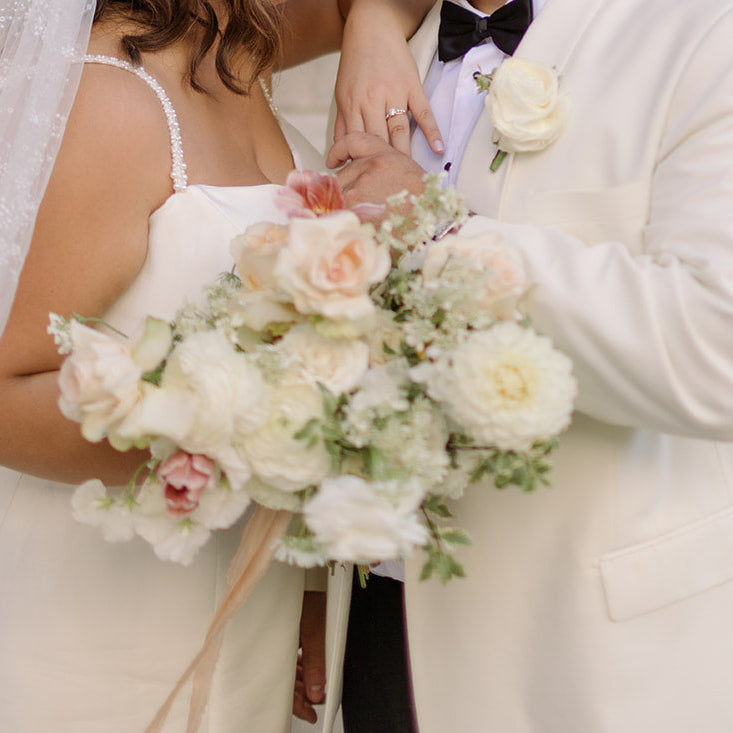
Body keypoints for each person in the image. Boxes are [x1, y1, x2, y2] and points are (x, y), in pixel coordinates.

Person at [0, 1, 438, 731]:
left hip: (245, 625)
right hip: (99, 628)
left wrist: (374, 27)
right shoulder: (110, 98)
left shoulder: (244, 75)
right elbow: (6, 394)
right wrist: (245, 430)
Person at [319, 0, 733, 731]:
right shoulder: (364, 48)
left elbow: (715, 350)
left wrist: (441, 231)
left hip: (592, 653)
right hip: (378, 626)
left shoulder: (703, 32)